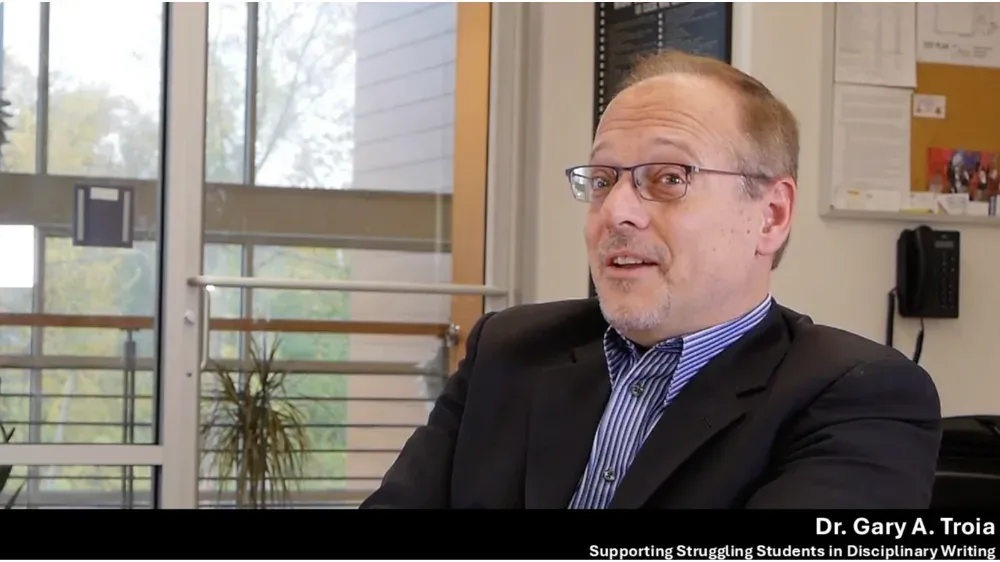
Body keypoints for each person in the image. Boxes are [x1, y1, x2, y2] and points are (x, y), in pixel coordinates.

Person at [360, 51, 942, 509]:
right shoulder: (508, 350)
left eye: (667, 178)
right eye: (604, 179)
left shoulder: (861, 398)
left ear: (771, 215)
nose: (617, 212)